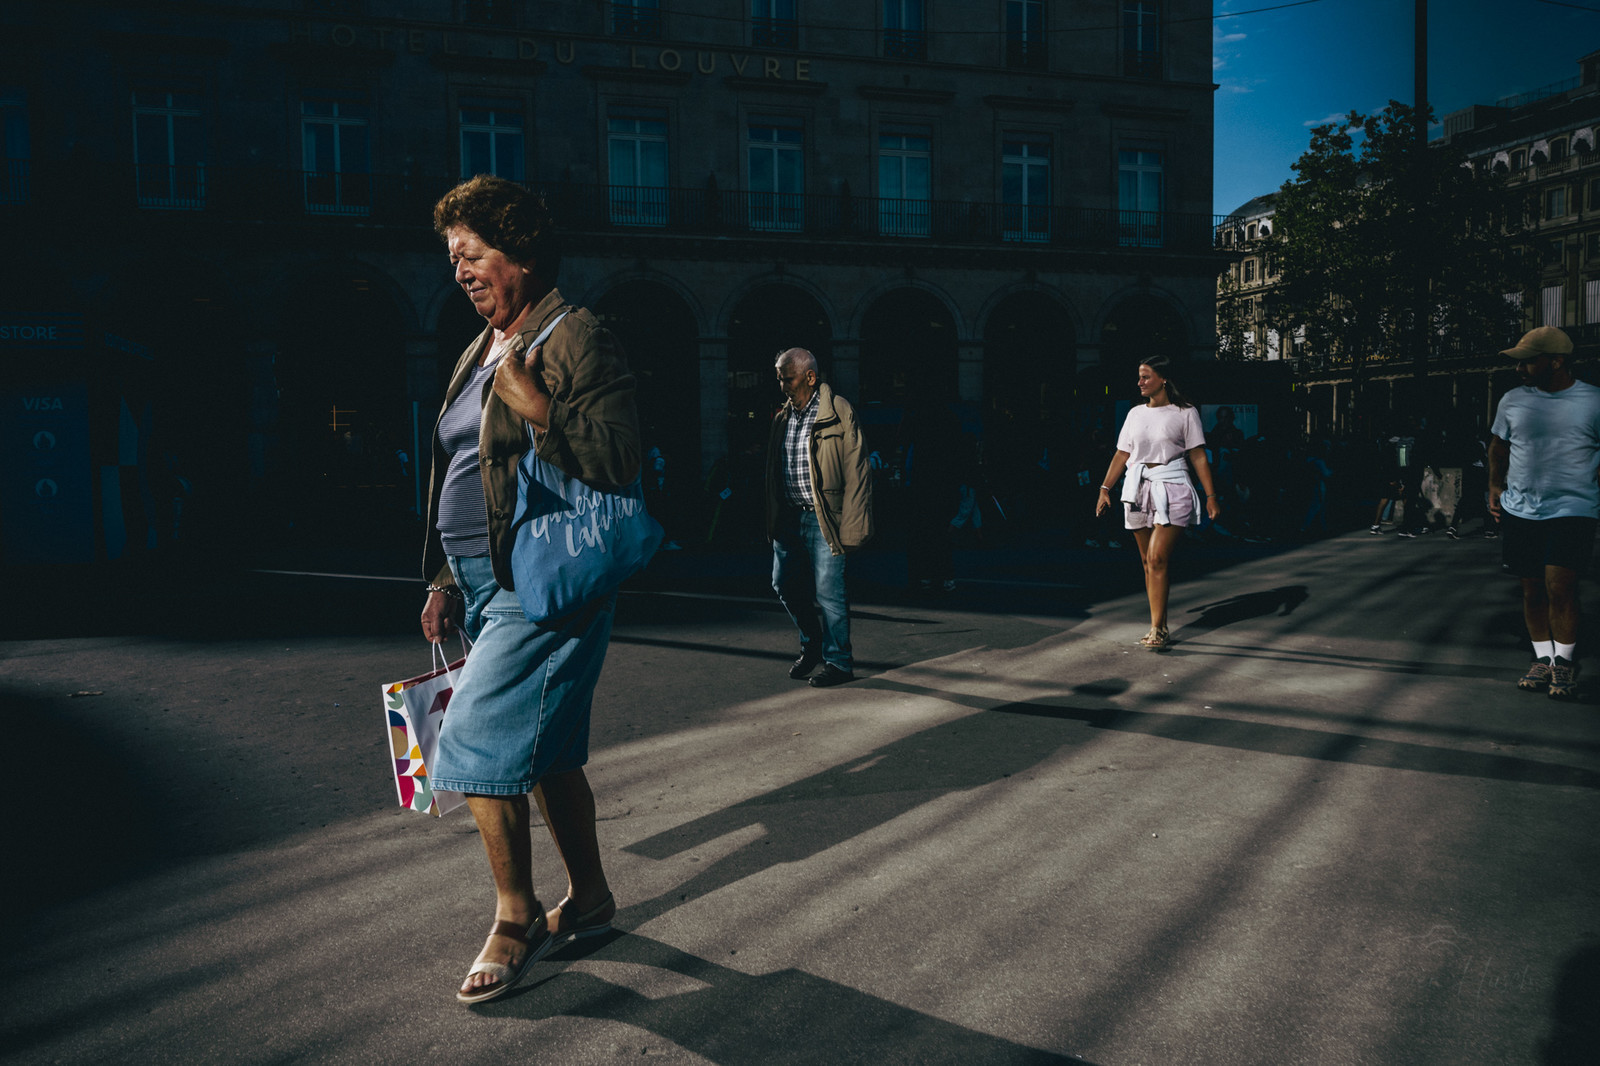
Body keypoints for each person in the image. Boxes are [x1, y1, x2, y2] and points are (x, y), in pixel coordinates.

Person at [419, 175, 638, 1003]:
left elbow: (617, 460)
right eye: (453, 258)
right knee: (545, 750)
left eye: (472, 254)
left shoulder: (579, 336)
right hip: (480, 579)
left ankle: (514, 916)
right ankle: (589, 899)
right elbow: (470, 466)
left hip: (541, 577)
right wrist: (445, 573)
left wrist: (538, 403)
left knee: (475, 740)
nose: (460, 271)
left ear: (522, 253)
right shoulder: (479, 346)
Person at [1487, 325, 1600, 701]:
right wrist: (1494, 486)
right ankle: (1542, 658)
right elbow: (1498, 448)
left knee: (1561, 588)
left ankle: (1563, 663)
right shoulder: (1513, 400)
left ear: (1557, 361)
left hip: (1573, 508)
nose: (1520, 369)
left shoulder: (1593, 401)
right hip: (1521, 509)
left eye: (1528, 361)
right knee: (1531, 589)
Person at [1095, 355, 1222, 649]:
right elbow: (1121, 455)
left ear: (1163, 379)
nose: (1139, 382)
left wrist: (1211, 495)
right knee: (1146, 562)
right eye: (1139, 377)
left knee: (1156, 558)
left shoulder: (1185, 412)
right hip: (1138, 489)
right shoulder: (1135, 414)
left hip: (1174, 486)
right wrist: (1104, 488)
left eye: (1145, 376)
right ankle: (1158, 622)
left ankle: (1159, 628)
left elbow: (1198, 455)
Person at [765, 347, 874, 686]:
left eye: (788, 378)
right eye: (779, 378)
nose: (782, 385)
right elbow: (773, 471)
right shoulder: (783, 416)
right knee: (783, 583)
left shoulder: (838, 411)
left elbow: (858, 472)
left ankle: (839, 662)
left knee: (829, 593)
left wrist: (853, 528)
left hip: (824, 517)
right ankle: (812, 646)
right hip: (788, 518)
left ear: (810, 377)